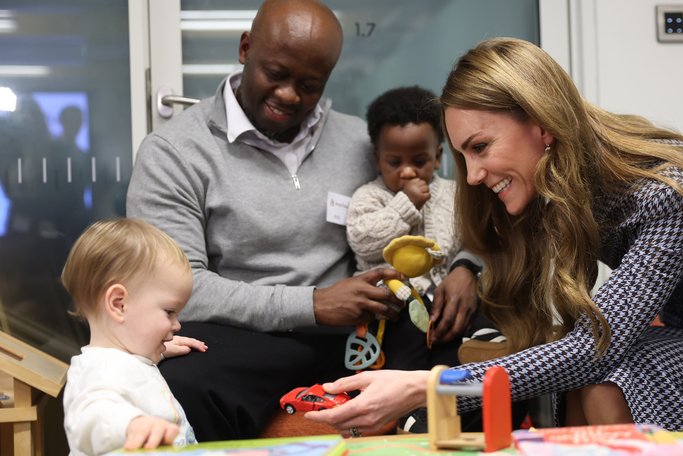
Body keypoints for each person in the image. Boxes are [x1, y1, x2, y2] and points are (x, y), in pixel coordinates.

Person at [306, 37, 683, 437]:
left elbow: (597, 346)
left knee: (617, 363)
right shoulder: (561, 185)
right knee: (595, 362)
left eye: (480, 147)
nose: (474, 174)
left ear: (542, 124)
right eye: (462, 157)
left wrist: (430, 386)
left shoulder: (671, 192)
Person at [126, 0, 479, 441]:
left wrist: (467, 265)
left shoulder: (362, 142)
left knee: (474, 357)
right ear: (245, 49)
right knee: (181, 385)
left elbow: (447, 207)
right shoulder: (175, 152)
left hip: (362, 330)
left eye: (310, 84)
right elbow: (178, 291)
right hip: (245, 335)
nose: (290, 95)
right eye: (275, 74)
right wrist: (313, 304)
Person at [347, 86, 486, 370]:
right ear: (377, 159)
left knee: (472, 320)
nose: (408, 171)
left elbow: (477, 240)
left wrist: (465, 269)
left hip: (446, 300)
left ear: (437, 157)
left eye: (420, 161)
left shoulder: (455, 194)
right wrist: (405, 204)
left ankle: (485, 346)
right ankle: (411, 409)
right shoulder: (368, 196)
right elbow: (363, 240)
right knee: (405, 348)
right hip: (394, 306)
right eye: (394, 162)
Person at [61, 218, 208, 454]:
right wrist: (131, 424)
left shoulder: (125, 358)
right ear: (119, 305)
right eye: (169, 312)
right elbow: (93, 414)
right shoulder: (97, 370)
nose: (177, 324)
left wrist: (159, 349)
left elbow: (132, 376)